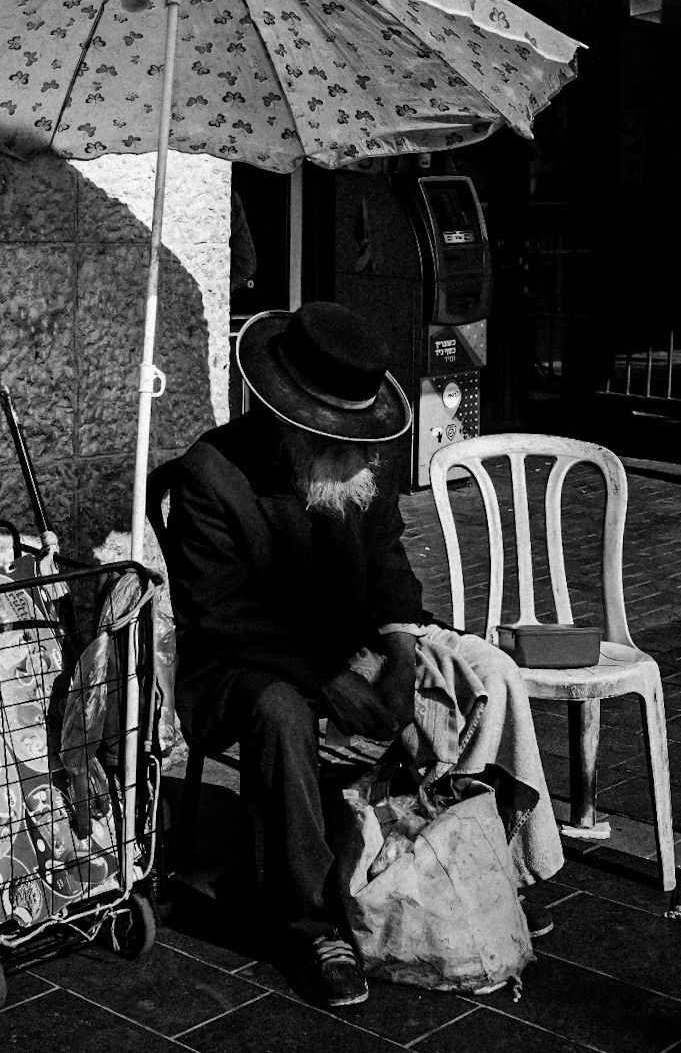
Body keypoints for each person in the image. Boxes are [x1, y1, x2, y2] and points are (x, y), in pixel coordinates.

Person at [166, 302, 564, 1008]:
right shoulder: (210, 475)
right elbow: (219, 615)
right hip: (241, 662)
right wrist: (329, 679)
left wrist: (402, 653)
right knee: (281, 710)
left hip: (355, 641)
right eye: (328, 433)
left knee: (487, 672)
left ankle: (473, 860)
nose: (351, 448)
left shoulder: (358, 459)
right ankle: (309, 921)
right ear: (284, 414)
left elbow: (385, 562)